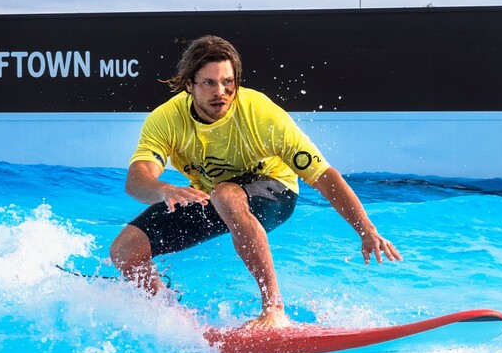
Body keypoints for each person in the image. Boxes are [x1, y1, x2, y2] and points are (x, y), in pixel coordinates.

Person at [110, 35, 401, 328]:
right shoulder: (167, 120)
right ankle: (177, 320)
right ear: (189, 85)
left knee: (226, 194)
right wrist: (164, 189)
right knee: (124, 251)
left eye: (228, 82)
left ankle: (274, 311)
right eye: (209, 83)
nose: (220, 92)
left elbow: (324, 176)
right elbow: (137, 180)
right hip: (214, 197)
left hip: (275, 193)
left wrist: (367, 230)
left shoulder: (261, 114)